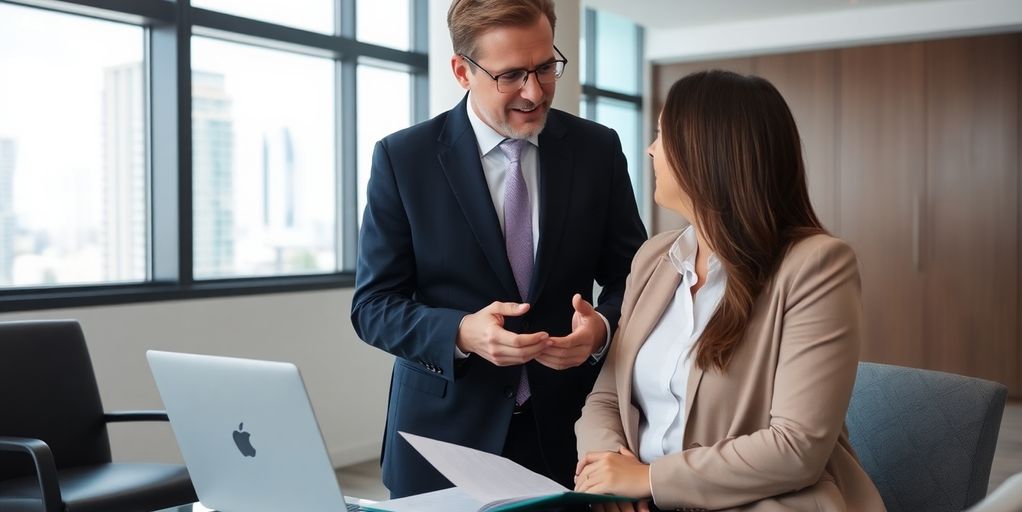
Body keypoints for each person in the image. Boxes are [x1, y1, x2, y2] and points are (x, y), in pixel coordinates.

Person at [350, 0, 647, 499]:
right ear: (462, 71)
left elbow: (636, 277)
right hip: (440, 438)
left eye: (546, 67)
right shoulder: (404, 160)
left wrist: (601, 327)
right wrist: (461, 332)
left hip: (568, 431)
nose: (535, 92)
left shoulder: (598, 149)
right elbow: (372, 306)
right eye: (511, 75)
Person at [573, 70, 886, 511]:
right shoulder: (653, 258)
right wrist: (609, 469)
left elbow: (797, 448)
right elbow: (605, 396)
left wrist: (650, 479)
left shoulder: (815, 266)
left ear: (706, 154)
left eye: (663, 135)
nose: (650, 149)